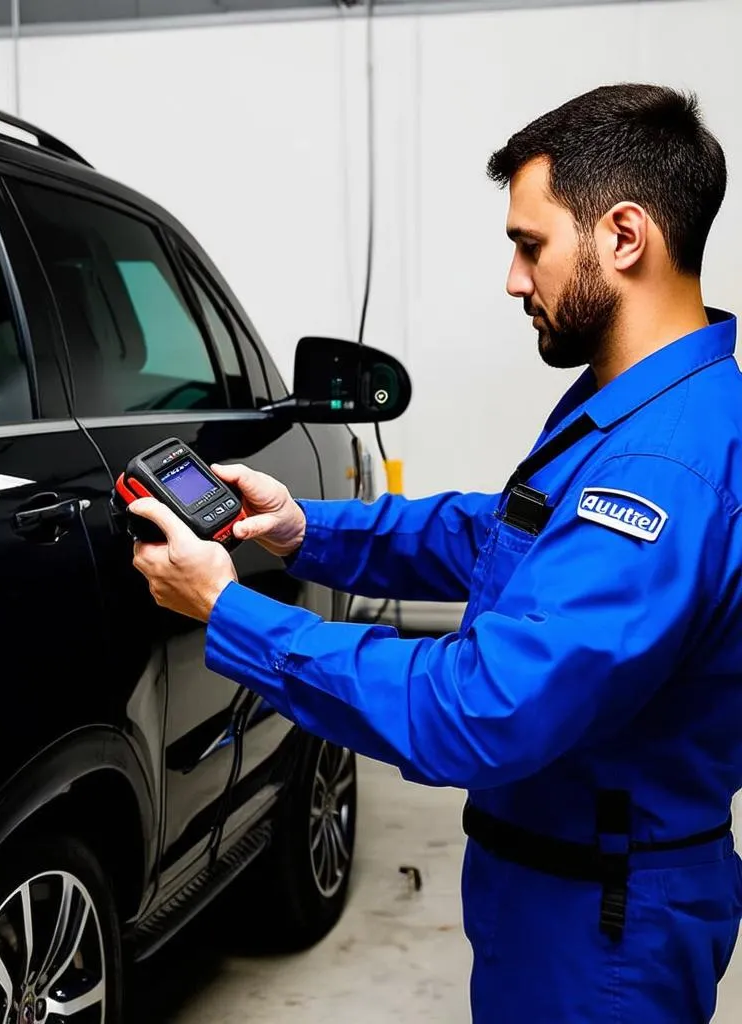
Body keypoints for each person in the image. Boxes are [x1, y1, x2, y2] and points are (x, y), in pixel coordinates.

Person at [128, 83, 742, 1023]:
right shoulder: (637, 409)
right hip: (562, 887)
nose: (513, 278)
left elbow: (485, 707)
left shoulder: (665, 466)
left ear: (625, 236)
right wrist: (307, 530)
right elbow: (496, 533)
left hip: (599, 929)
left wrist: (231, 612)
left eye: (529, 245)